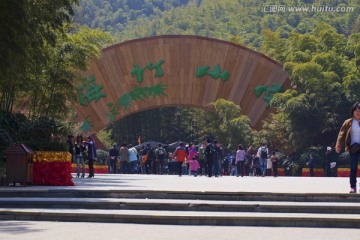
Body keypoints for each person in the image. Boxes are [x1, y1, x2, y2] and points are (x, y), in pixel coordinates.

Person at [336, 102, 360, 193]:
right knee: (353, 168)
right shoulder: (348, 122)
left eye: (359, 111)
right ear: (353, 111)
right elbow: (341, 134)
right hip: (353, 148)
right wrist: (339, 145)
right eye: (356, 110)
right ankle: (353, 187)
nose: (358, 112)